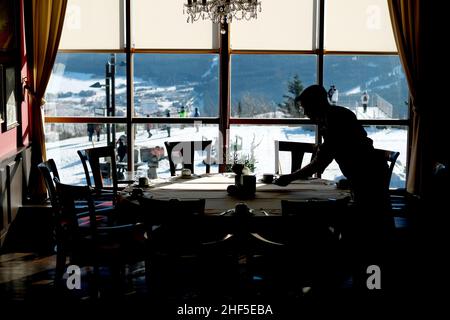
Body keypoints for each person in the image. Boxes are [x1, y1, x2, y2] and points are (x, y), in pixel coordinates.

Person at [274, 85, 392, 289]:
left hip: (368, 177)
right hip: (367, 173)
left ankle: (370, 282)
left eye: (305, 108)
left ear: (315, 104)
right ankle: (372, 279)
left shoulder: (334, 120)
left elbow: (320, 163)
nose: (305, 113)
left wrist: (290, 178)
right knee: (374, 227)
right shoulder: (334, 116)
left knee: (372, 230)